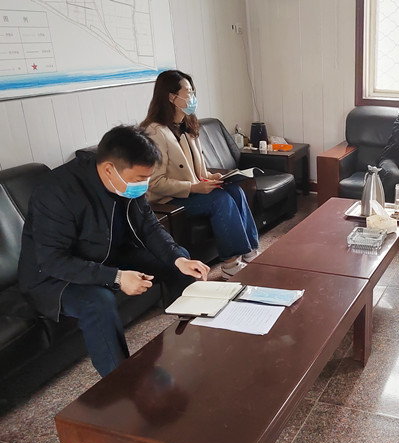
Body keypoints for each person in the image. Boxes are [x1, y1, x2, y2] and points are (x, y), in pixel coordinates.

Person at [18, 125, 210, 377]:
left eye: (147, 178)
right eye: (140, 179)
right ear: (109, 169)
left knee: (179, 264)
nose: (144, 186)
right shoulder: (56, 192)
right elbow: (53, 261)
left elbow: (149, 226)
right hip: (54, 277)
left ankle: (198, 337)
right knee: (98, 301)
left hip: (106, 254)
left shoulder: (126, 181)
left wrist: (177, 258)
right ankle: (121, 382)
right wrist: (116, 277)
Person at [141, 70, 259, 278]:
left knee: (235, 190)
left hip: (193, 190)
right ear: (171, 97)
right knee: (220, 200)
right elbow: (155, 183)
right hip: (170, 199)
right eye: (188, 92)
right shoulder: (155, 132)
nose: (193, 97)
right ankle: (230, 265)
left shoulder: (187, 125)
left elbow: (197, 169)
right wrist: (194, 187)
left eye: (193, 92)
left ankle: (250, 252)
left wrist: (211, 178)